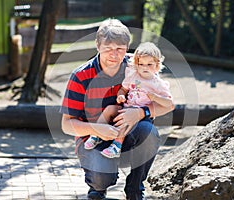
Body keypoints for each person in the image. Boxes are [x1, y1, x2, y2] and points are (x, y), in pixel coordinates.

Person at [60, 18, 175, 200]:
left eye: (120, 49)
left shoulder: (137, 66)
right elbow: (67, 125)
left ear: (128, 47)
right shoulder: (81, 76)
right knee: (101, 179)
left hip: (129, 132)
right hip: (93, 138)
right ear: (98, 46)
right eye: (108, 48)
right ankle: (98, 187)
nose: (114, 54)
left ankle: (135, 189)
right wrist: (97, 128)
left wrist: (140, 112)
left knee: (150, 133)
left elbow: (166, 105)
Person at [84, 42, 174, 159]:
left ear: (157, 65)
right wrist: (120, 95)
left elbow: (169, 103)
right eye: (141, 64)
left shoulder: (158, 84)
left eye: (149, 64)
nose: (144, 67)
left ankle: (116, 145)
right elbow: (124, 89)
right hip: (127, 105)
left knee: (125, 120)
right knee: (110, 109)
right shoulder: (133, 75)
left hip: (141, 114)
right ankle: (96, 134)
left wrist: (155, 98)